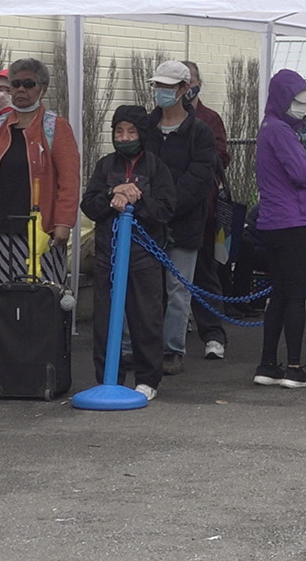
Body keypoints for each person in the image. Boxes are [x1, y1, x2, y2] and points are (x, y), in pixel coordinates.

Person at [80, 105, 176, 401]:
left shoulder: (156, 167)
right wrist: (113, 193)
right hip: (107, 255)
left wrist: (137, 197)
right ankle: (108, 377)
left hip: (144, 256)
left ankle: (148, 380)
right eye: (119, 131)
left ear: (142, 133)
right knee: (105, 321)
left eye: (131, 131)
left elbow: (165, 209)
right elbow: (89, 204)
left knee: (146, 319)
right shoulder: (105, 165)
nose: (124, 137)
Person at [0, 57, 80, 286]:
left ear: (43, 90)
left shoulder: (55, 126)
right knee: (1, 300)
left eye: (29, 84)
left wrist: (63, 223)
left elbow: (69, 180)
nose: (20, 90)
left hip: (40, 233)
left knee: (40, 300)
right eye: (15, 84)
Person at [142, 60, 218, 376]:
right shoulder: (144, 128)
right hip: (147, 223)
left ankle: (172, 349)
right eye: (158, 86)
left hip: (184, 222)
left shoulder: (200, 131)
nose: (161, 92)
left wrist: (166, 205)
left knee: (178, 289)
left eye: (168, 86)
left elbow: (200, 178)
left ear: (185, 89)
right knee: (146, 288)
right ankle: (143, 347)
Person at [253, 69, 306, 389]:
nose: (303, 108)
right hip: (290, 220)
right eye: (298, 101)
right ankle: (294, 365)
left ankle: (268, 363)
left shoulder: (270, 128)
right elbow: (300, 172)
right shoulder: (281, 131)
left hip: (271, 220)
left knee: (279, 294)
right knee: (295, 295)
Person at [182, 60, 232, 358]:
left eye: (189, 81)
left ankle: (213, 334)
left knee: (204, 271)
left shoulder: (210, 119)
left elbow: (221, 157)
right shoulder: (158, 120)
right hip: (167, 208)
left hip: (203, 207)